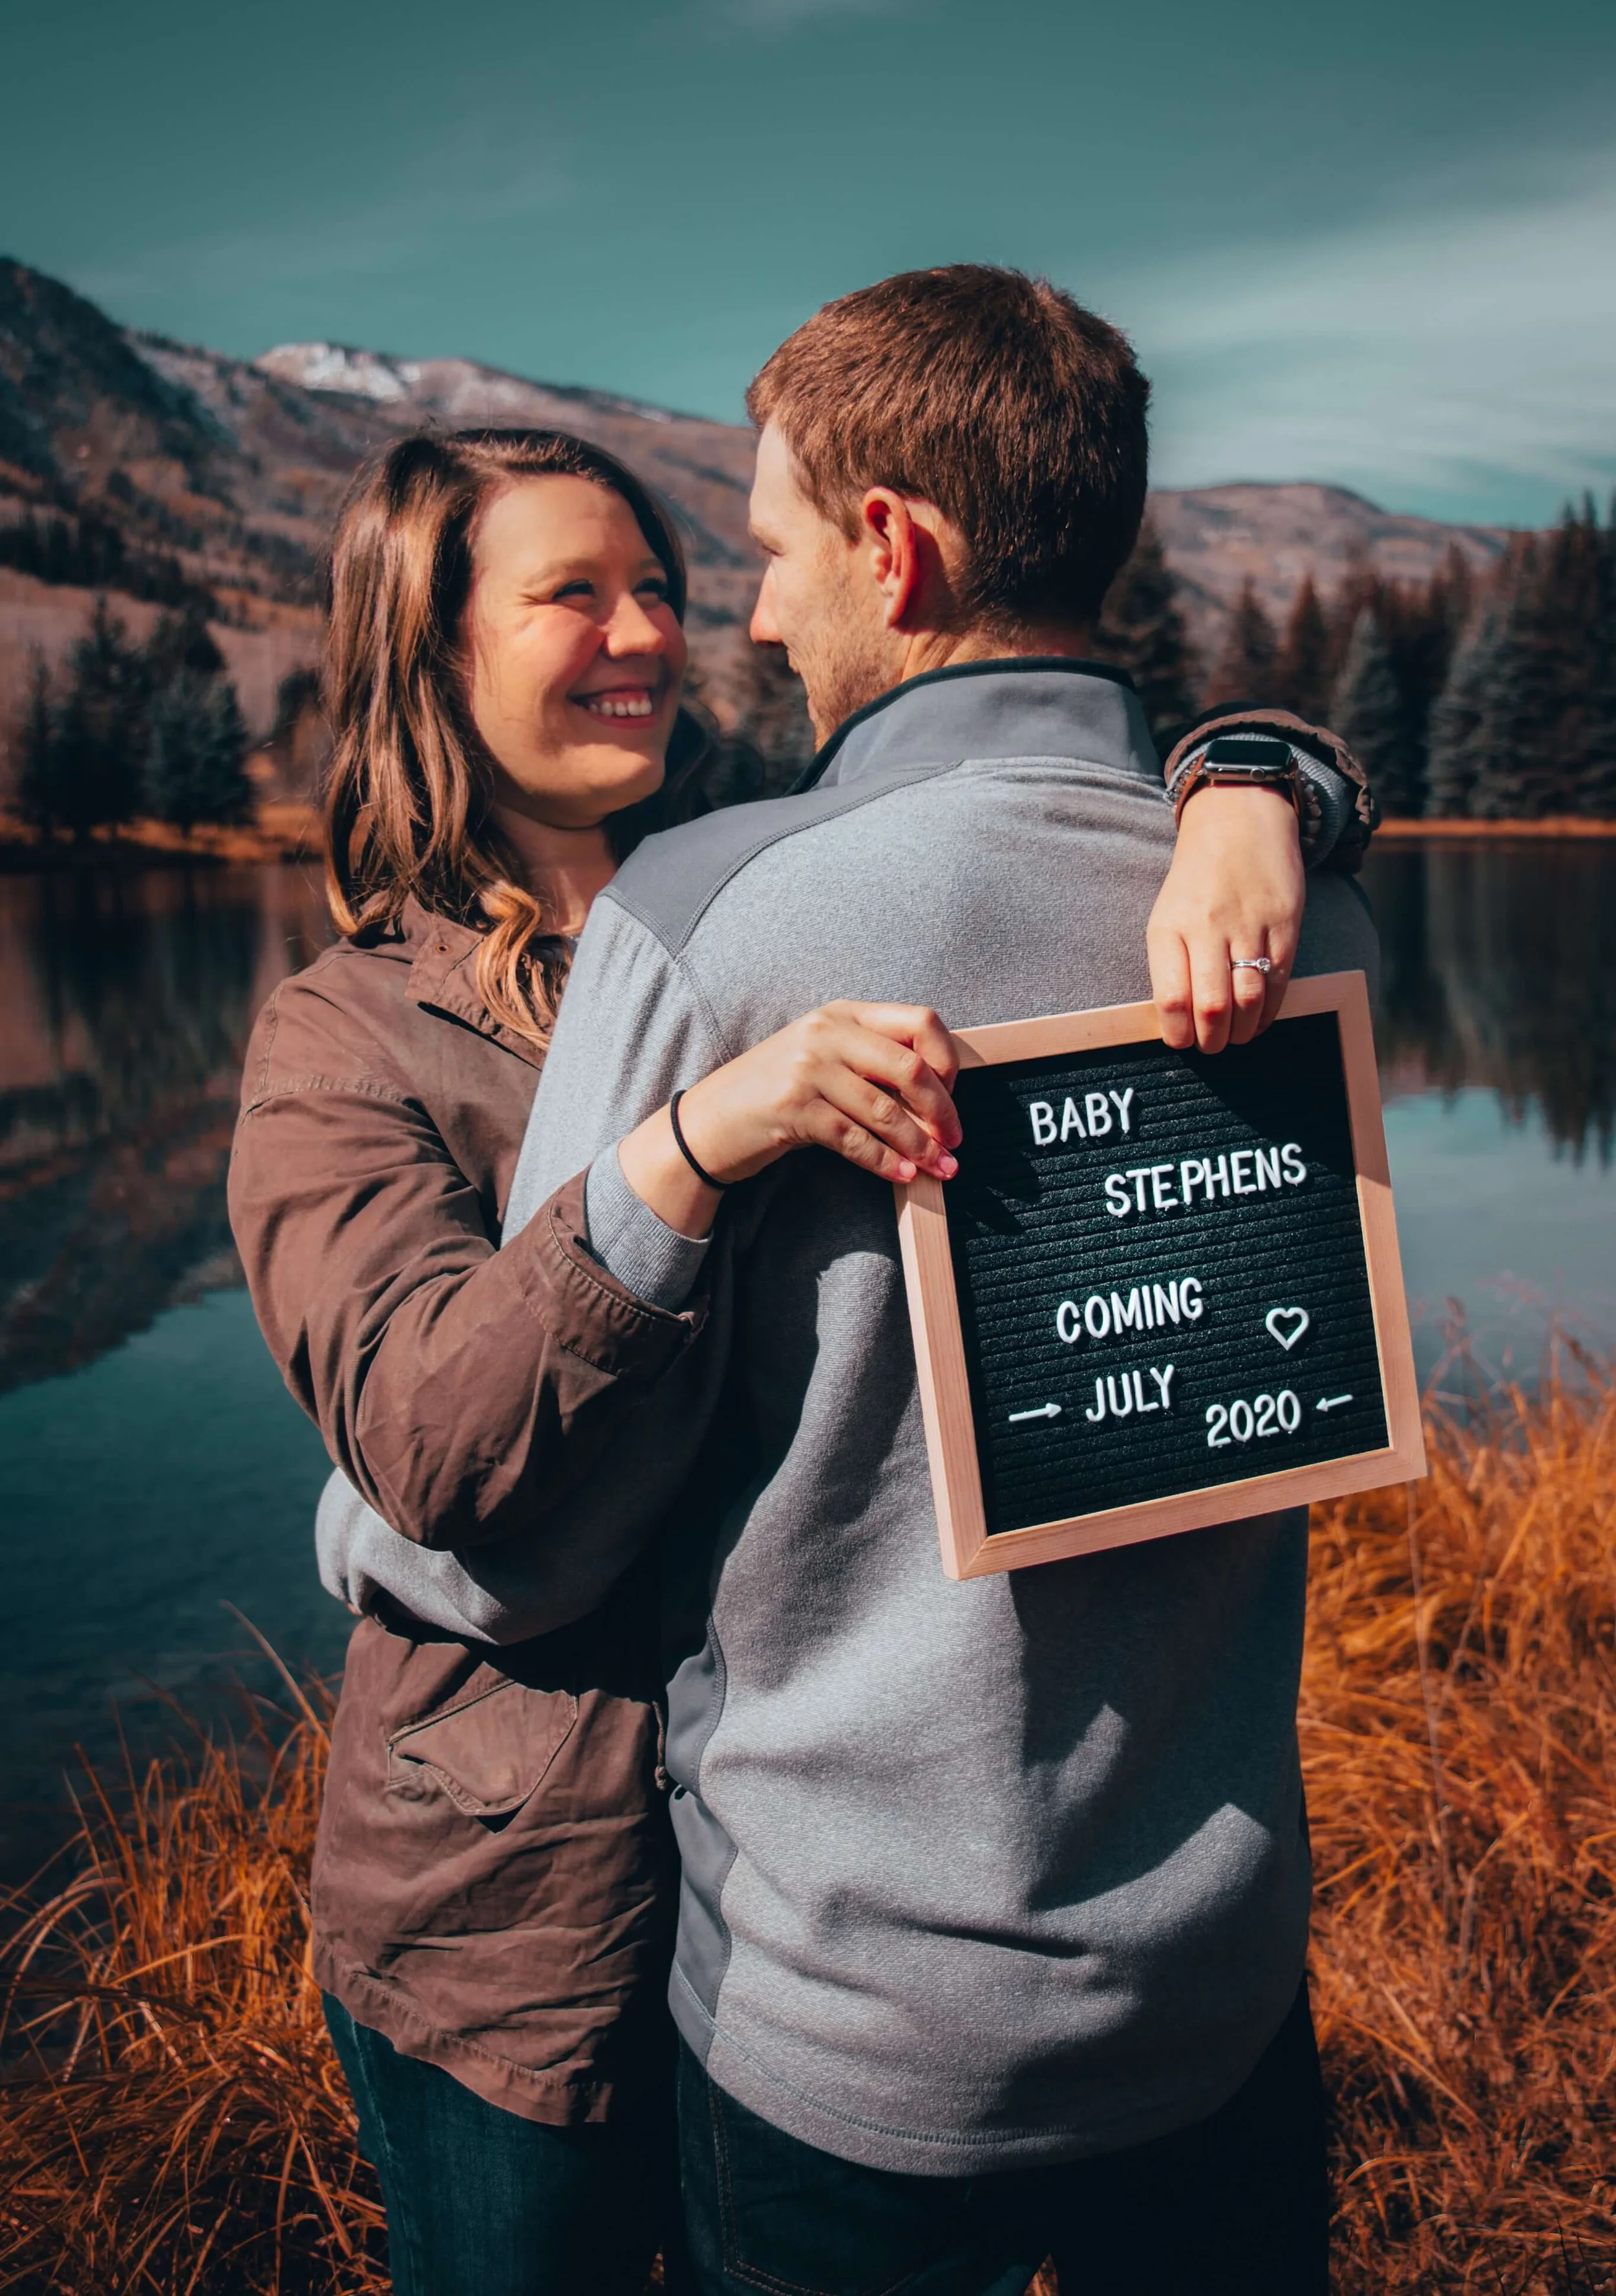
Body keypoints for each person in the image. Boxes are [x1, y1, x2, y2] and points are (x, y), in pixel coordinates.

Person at [236, 376, 1368, 2287]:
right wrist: (691, 1141)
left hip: (807, 1909)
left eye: (667, 582)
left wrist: (1256, 779)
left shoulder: (771, 894)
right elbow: (429, 1448)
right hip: (518, 1899)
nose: (654, 632)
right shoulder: (348, 1038)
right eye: (571, 596)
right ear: (423, 660)